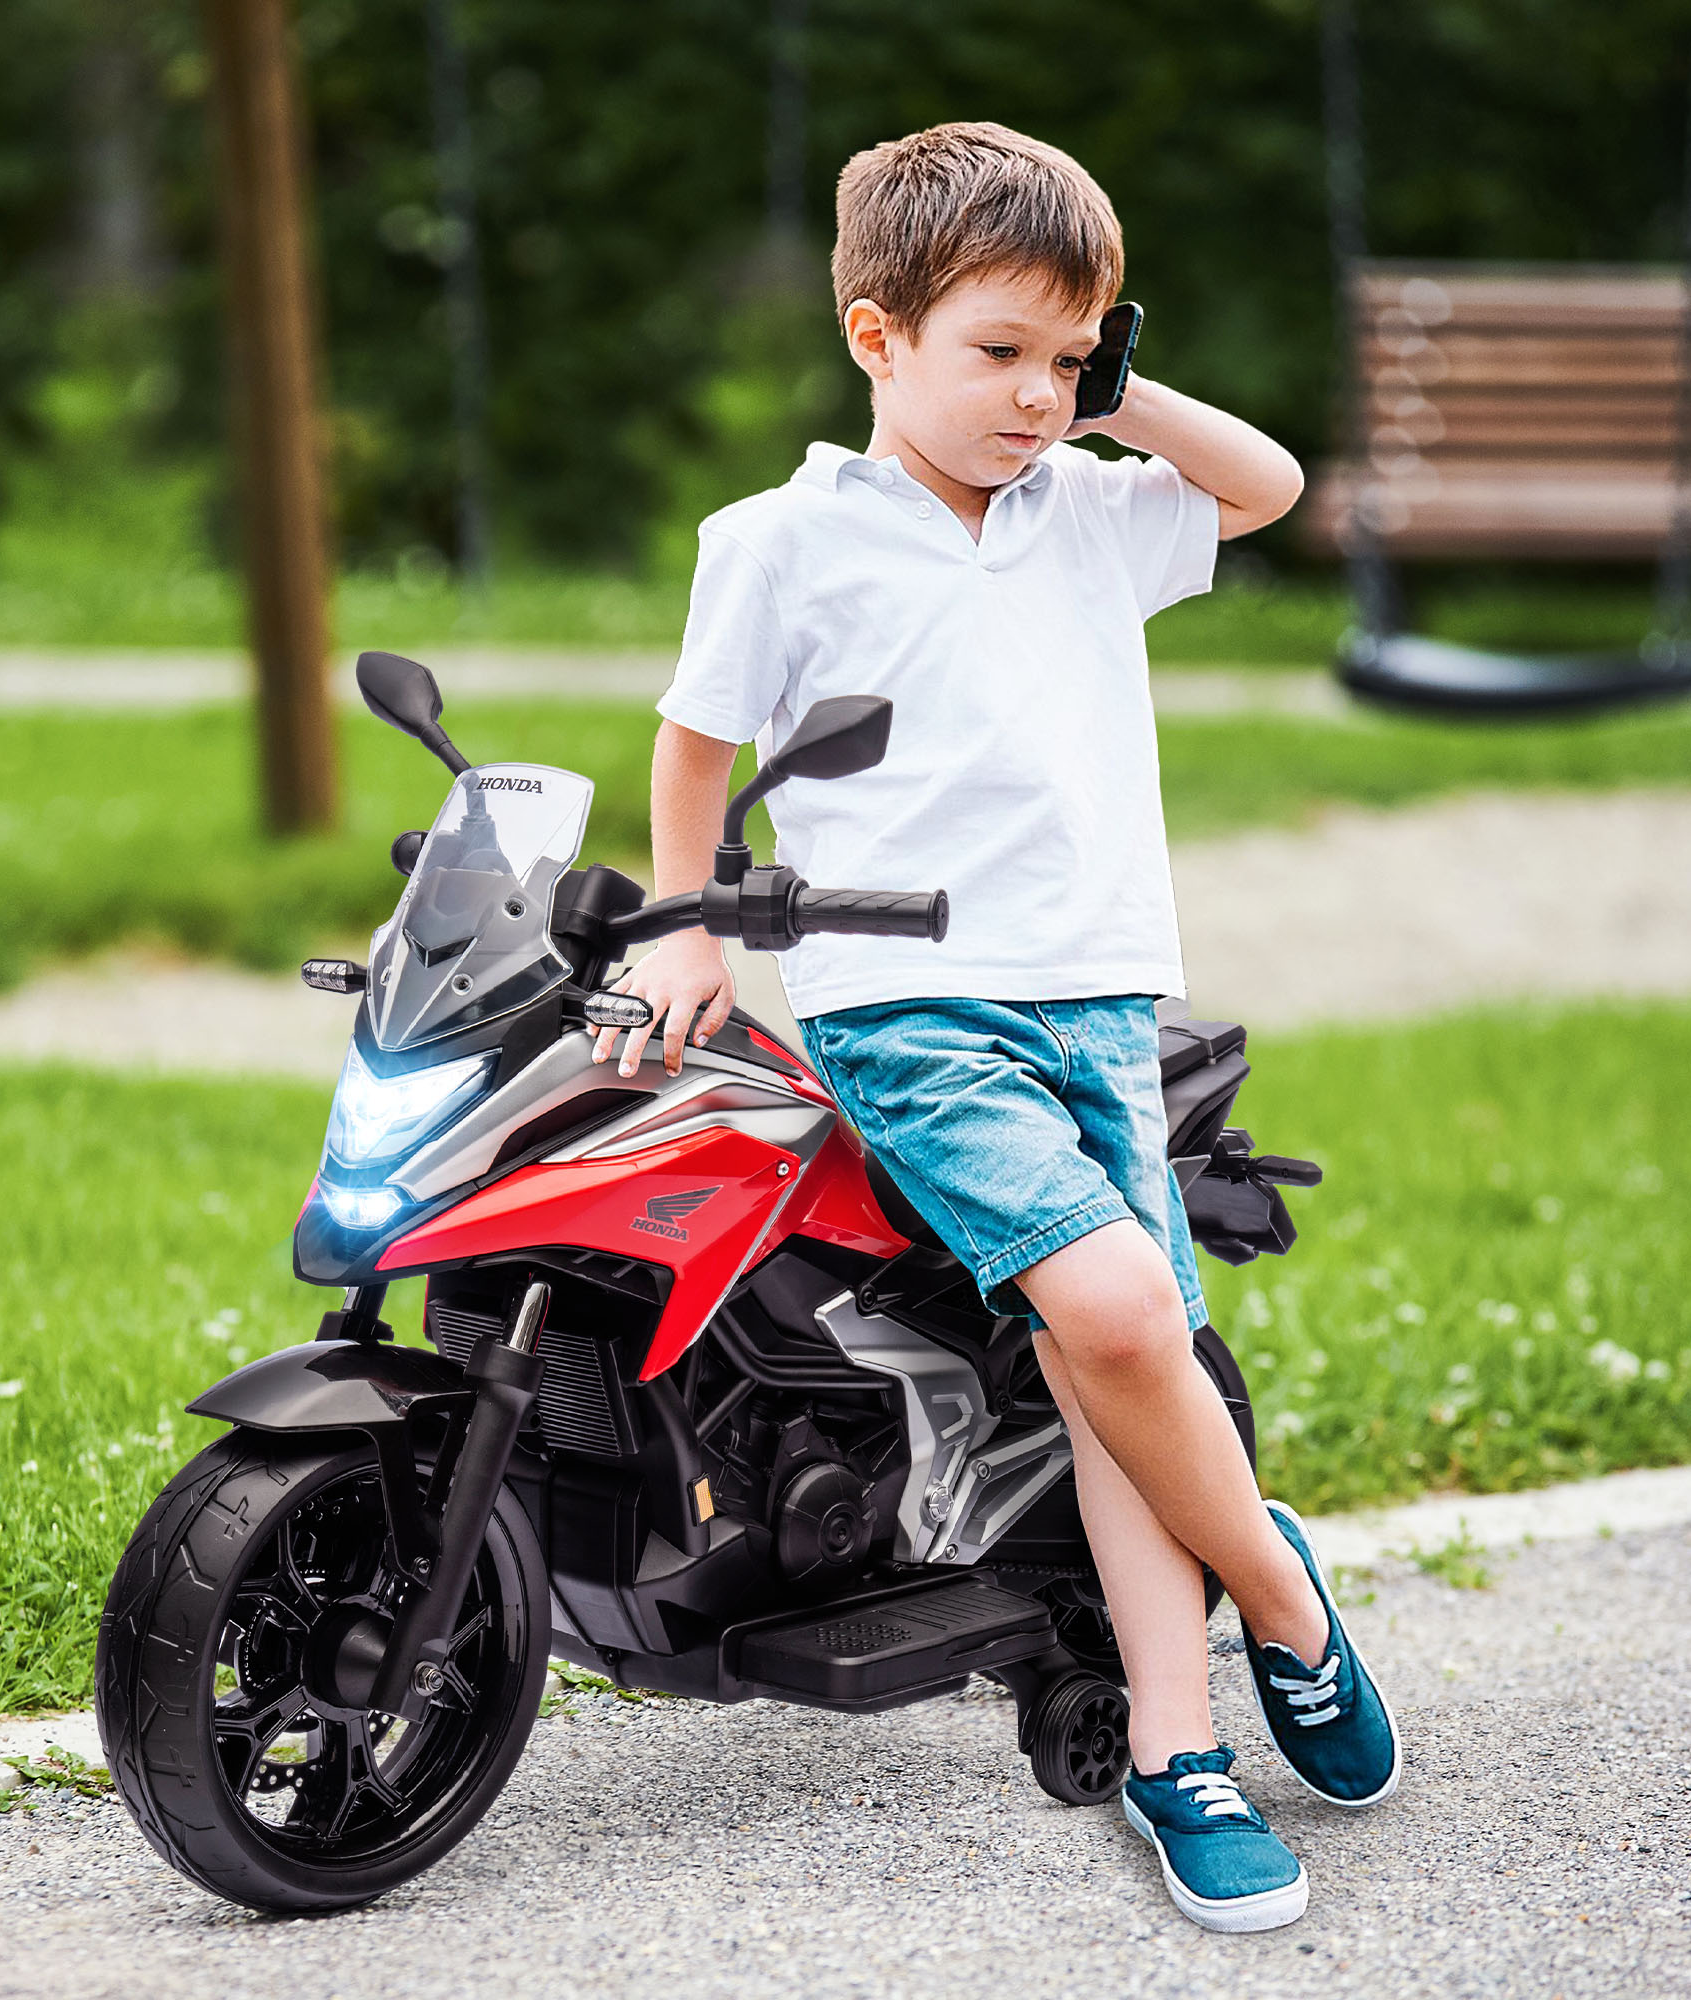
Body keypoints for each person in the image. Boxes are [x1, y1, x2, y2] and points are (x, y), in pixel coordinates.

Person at [592, 121, 1399, 1932]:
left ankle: (1179, 1755)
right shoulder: (781, 538)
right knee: (1114, 1316)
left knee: (1115, 1382)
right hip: (913, 1006)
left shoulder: (1093, 515)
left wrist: (1126, 396)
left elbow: (1266, 485)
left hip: (1103, 987)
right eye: (1000, 355)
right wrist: (690, 919)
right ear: (877, 338)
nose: (1039, 398)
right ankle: (1285, 1604)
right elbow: (696, 740)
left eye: (1071, 358)